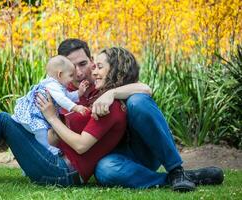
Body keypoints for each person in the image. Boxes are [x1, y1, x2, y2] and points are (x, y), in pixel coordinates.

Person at [0, 47, 148, 186]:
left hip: (63, 172)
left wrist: (51, 117)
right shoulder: (99, 96)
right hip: (58, 163)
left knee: (3, 121)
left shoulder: (108, 106)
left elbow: (81, 146)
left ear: (116, 71)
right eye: (93, 66)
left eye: (99, 67)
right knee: (7, 121)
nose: (92, 72)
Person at [57, 38, 224, 192]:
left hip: (143, 148)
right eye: (72, 67)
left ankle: (176, 170)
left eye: (84, 64)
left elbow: (145, 89)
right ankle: (175, 179)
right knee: (104, 170)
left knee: (138, 102)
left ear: (92, 60)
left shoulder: (102, 79)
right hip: (116, 157)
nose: (79, 73)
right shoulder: (64, 95)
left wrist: (111, 93)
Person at [12, 55, 89, 155]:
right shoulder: (52, 85)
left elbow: (67, 96)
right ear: (60, 74)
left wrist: (79, 92)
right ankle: (46, 148)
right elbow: (62, 99)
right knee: (41, 131)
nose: (72, 79)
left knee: (40, 131)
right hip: (34, 116)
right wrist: (75, 107)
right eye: (70, 75)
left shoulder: (58, 85)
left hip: (39, 115)